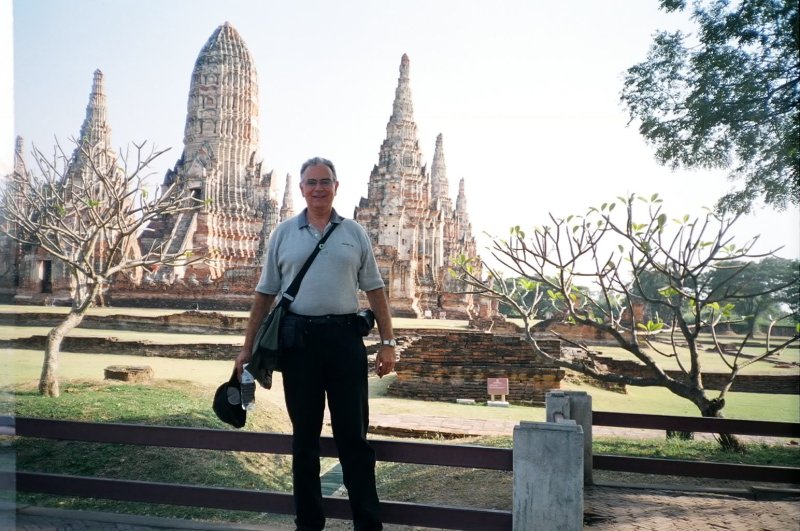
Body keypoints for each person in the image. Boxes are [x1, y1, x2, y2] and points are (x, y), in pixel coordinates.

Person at [235, 156, 396, 531]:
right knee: (304, 439)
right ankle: (308, 524)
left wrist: (388, 341)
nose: (318, 188)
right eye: (311, 182)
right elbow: (264, 294)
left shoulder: (354, 232)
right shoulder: (284, 234)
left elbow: (375, 289)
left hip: (344, 340)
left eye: (325, 182)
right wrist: (247, 347)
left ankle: (367, 524)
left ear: (336, 187)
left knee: (353, 437)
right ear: (303, 189)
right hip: (299, 343)